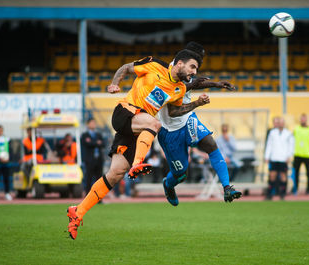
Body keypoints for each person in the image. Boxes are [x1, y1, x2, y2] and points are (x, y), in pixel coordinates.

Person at [67, 48, 203, 240]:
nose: (194, 72)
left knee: (115, 174)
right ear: (180, 63)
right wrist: (115, 83)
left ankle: (77, 211)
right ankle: (138, 162)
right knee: (155, 123)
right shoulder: (154, 64)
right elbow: (125, 68)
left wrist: (196, 104)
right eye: (192, 67)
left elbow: (173, 112)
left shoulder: (179, 89)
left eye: (196, 69)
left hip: (137, 127)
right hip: (125, 112)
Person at [158, 42, 241, 206]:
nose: (196, 69)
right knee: (181, 174)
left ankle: (227, 187)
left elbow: (193, 84)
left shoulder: (185, 69)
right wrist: (197, 101)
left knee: (210, 143)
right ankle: (168, 185)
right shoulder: (168, 75)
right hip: (170, 130)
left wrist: (217, 84)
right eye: (196, 63)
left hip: (188, 119)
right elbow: (173, 111)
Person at [264, 117, 294, 200]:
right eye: (279, 122)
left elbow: (291, 146)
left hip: (283, 158)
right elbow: (269, 145)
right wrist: (267, 156)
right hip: (274, 157)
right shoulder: (272, 133)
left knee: (283, 176)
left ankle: (282, 194)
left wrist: (289, 156)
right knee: (272, 175)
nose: (280, 124)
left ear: (284, 124)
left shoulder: (288, 133)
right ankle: (270, 194)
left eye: (282, 122)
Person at [292, 113, 309, 194]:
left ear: (306, 119)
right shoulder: (296, 129)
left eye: (304, 118)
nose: (303, 120)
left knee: (308, 173)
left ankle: (308, 188)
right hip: (297, 154)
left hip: (307, 154)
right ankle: (296, 187)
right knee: (296, 173)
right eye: (301, 118)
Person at [81, 118, 105, 194]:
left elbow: (103, 144)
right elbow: (87, 144)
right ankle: (87, 197)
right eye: (92, 123)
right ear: (88, 124)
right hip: (89, 160)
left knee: (99, 179)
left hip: (98, 159)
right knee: (88, 178)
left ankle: (99, 197)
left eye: (94, 123)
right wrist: (97, 143)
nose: (93, 124)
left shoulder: (98, 134)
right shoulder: (85, 135)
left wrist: (93, 143)